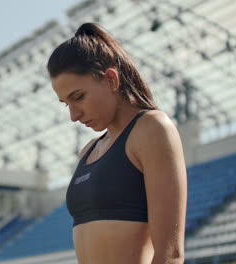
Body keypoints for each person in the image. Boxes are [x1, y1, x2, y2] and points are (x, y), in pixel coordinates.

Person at [47, 23, 187, 264]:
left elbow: (170, 254)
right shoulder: (88, 151)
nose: (73, 115)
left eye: (78, 97)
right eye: (65, 103)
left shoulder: (152, 130)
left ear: (111, 79)